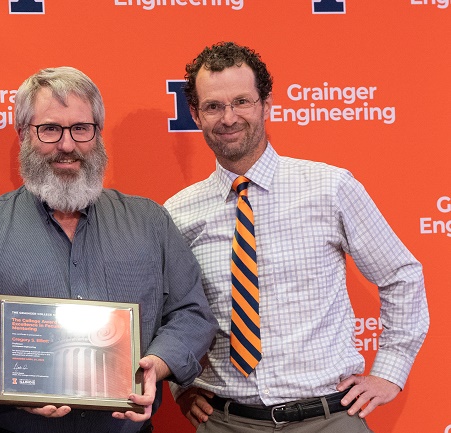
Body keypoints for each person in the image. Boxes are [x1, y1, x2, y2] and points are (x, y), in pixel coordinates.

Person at [0, 66, 218, 433]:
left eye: (81, 128)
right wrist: (7, 385)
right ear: (22, 135)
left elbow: (192, 313)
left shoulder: (150, 222)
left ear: (97, 134)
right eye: (50, 129)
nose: (67, 145)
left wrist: (157, 365)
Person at [165, 41, 429, 432]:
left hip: (329, 419)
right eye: (213, 106)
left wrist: (389, 372)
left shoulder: (330, 187)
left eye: (242, 101)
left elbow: (401, 276)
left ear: (266, 105)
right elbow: (168, 311)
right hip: (226, 422)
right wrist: (179, 384)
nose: (229, 117)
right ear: (195, 114)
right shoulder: (177, 212)